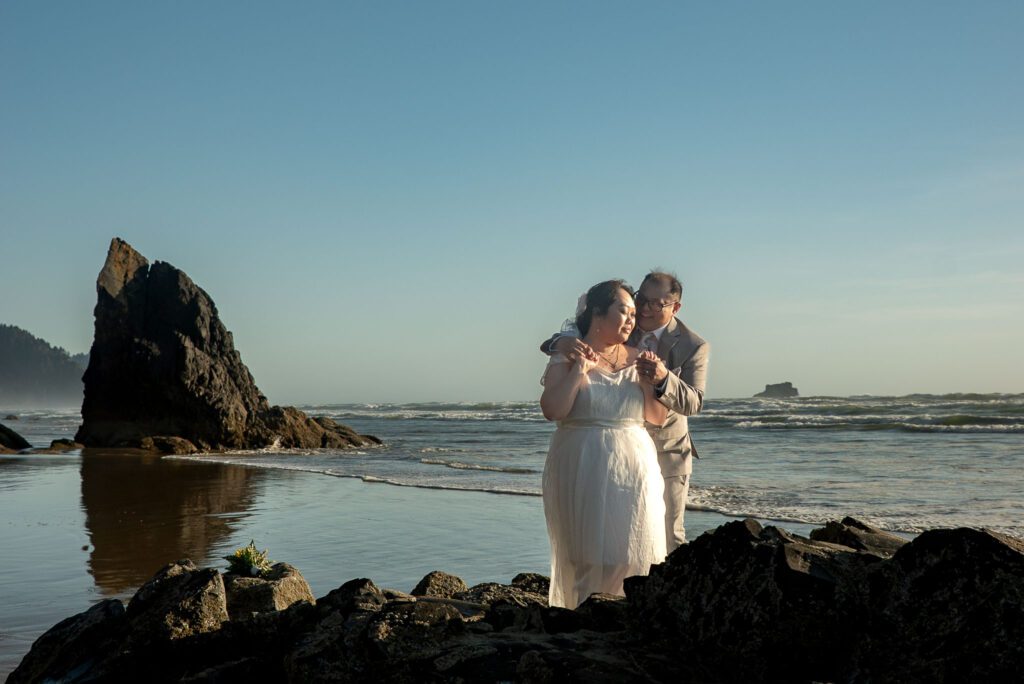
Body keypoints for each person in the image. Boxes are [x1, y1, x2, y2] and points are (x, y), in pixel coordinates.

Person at [542, 271, 709, 550]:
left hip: (666, 449)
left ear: (674, 307)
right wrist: (558, 343)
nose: (644, 309)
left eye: (656, 304)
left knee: (664, 536)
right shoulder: (619, 326)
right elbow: (573, 333)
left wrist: (663, 378)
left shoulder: (694, 345)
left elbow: (694, 402)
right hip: (603, 453)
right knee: (603, 537)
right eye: (641, 299)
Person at [540, 279, 668, 609]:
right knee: (587, 553)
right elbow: (553, 410)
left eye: (633, 315)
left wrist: (653, 381)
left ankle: (628, 618)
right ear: (597, 312)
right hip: (582, 460)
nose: (631, 320)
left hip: (634, 463)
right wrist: (579, 370)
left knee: (634, 549)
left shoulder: (641, 358)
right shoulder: (568, 355)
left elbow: (656, 417)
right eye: (623, 312)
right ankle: (584, 619)